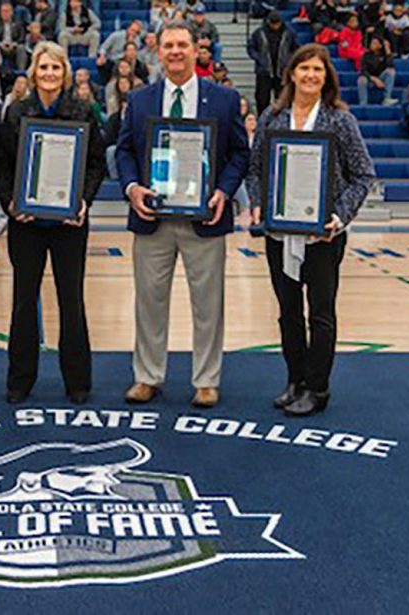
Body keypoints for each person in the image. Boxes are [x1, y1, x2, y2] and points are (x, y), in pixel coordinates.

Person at [116, 20, 249, 406]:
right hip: (152, 217)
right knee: (149, 301)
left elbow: (240, 152)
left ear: (196, 49)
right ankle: (147, 376)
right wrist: (131, 187)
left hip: (204, 218)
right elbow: (123, 151)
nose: (175, 51)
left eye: (182, 45)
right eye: (169, 45)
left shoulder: (223, 98)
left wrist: (224, 190)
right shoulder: (140, 100)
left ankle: (207, 380)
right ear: (158, 51)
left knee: (208, 303)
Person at [246, 43, 375, 416]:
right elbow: (255, 170)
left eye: (318, 70)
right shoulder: (272, 117)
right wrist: (257, 202)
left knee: (321, 313)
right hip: (279, 232)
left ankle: (318, 389)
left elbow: (363, 174)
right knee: (288, 313)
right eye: (304, 69)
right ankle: (296, 380)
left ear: (326, 77)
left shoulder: (339, 119)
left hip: (323, 234)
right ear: (291, 74)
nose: (310, 76)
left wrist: (338, 216)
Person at [0, 41, 106, 404]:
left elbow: (95, 164)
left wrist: (83, 201)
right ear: (33, 73)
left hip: (68, 224)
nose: (49, 74)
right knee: (23, 301)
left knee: (71, 300)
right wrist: (11, 203)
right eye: (43, 68)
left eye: (55, 68)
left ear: (65, 72)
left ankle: (78, 382)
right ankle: (20, 381)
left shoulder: (83, 110)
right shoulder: (16, 112)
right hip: (26, 222)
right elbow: (2, 166)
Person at [248, 11, 299, 114]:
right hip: (264, 71)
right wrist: (259, 58)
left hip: (282, 71)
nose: (275, 25)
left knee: (282, 99)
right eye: (272, 23)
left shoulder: (289, 33)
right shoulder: (259, 33)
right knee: (262, 99)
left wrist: (289, 60)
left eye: (277, 23)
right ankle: (262, 119)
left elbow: (296, 49)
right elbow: (251, 48)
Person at [358, 35, 397, 104]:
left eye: (375, 43)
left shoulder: (384, 55)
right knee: (361, 79)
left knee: (391, 71)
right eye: (372, 43)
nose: (372, 45)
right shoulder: (366, 55)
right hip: (370, 79)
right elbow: (363, 70)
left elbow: (391, 66)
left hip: (382, 79)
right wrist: (374, 79)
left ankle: (387, 98)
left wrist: (388, 52)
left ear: (380, 46)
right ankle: (363, 103)